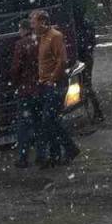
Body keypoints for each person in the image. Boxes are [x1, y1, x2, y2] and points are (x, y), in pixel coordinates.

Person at [32, 10, 79, 166]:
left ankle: (69, 148)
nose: (32, 26)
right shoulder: (42, 37)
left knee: (49, 120)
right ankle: (56, 154)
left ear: (43, 22)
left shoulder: (55, 36)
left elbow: (62, 60)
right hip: (45, 84)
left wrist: (52, 79)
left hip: (55, 84)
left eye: (34, 22)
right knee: (49, 121)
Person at [9, 19, 42, 168]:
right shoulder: (40, 41)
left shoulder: (21, 44)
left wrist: (14, 82)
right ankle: (42, 155)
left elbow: (16, 68)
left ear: (23, 29)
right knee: (39, 123)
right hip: (40, 88)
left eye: (19, 29)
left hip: (26, 90)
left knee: (23, 125)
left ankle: (23, 157)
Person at [75, 7, 105, 124]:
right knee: (86, 85)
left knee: (85, 85)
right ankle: (94, 111)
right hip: (86, 57)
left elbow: (85, 42)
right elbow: (91, 42)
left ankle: (96, 111)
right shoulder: (87, 24)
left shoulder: (78, 26)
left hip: (83, 57)